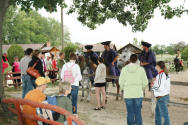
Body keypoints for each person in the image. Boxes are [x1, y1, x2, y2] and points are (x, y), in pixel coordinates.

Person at [119, 54, 148, 125]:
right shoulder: (141, 69)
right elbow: (145, 82)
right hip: (138, 94)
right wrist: (141, 89)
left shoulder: (124, 69)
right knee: (138, 113)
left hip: (128, 94)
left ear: (130, 59)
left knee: (130, 113)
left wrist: (123, 89)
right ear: (137, 60)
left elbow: (120, 82)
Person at [151, 61, 170, 125]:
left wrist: (153, 87)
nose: (155, 67)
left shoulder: (160, 75)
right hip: (164, 95)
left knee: (164, 115)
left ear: (158, 67)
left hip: (161, 97)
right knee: (159, 113)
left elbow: (160, 87)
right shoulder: (166, 74)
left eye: (156, 66)